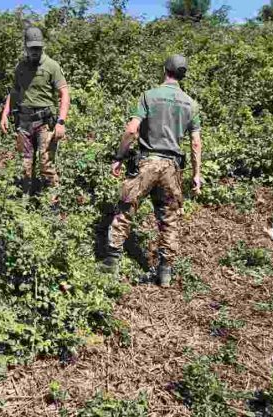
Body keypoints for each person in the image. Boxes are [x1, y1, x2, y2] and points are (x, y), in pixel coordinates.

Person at [101, 54, 203, 287]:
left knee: (125, 209)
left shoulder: (149, 96)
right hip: (172, 168)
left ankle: (111, 263)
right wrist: (196, 174)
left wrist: (119, 156)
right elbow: (196, 143)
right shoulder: (191, 104)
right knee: (169, 220)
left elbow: (131, 130)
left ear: (165, 69)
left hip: (146, 163)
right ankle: (165, 273)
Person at [0, 27, 70, 197]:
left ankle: (53, 205)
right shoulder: (21, 67)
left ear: (42, 47)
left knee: (46, 166)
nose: (35, 52)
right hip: (24, 122)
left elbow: (64, 93)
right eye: (32, 48)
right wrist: (5, 114)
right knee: (25, 166)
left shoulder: (51, 66)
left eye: (38, 48)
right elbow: (15, 91)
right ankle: (25, 203)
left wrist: (61, 122)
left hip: (45, 123)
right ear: (25, 47)